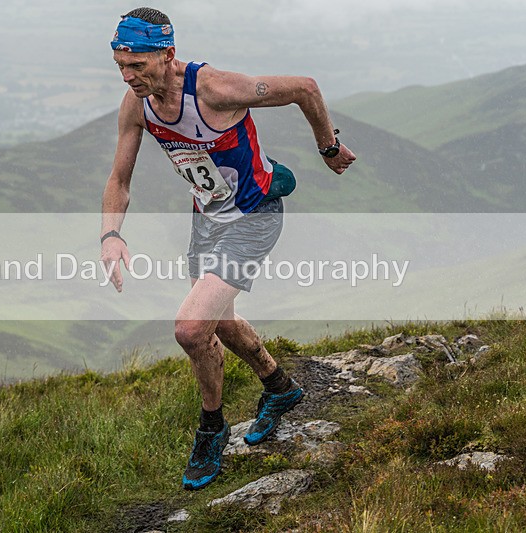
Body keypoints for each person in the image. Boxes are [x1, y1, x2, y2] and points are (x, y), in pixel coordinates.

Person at [100, 7, 356, 491]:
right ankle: (279, 387)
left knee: (190, 328)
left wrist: (328, 147)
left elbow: (305, 87)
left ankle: (211, 429)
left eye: (137, 65)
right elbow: (119, 178)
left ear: (168, 54)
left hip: (254, 216)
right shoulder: (136, 106)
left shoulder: (214, 89)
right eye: (120, 66)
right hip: (208, 217)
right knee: (217, 320)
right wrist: (111, 235)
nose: (128, 77)